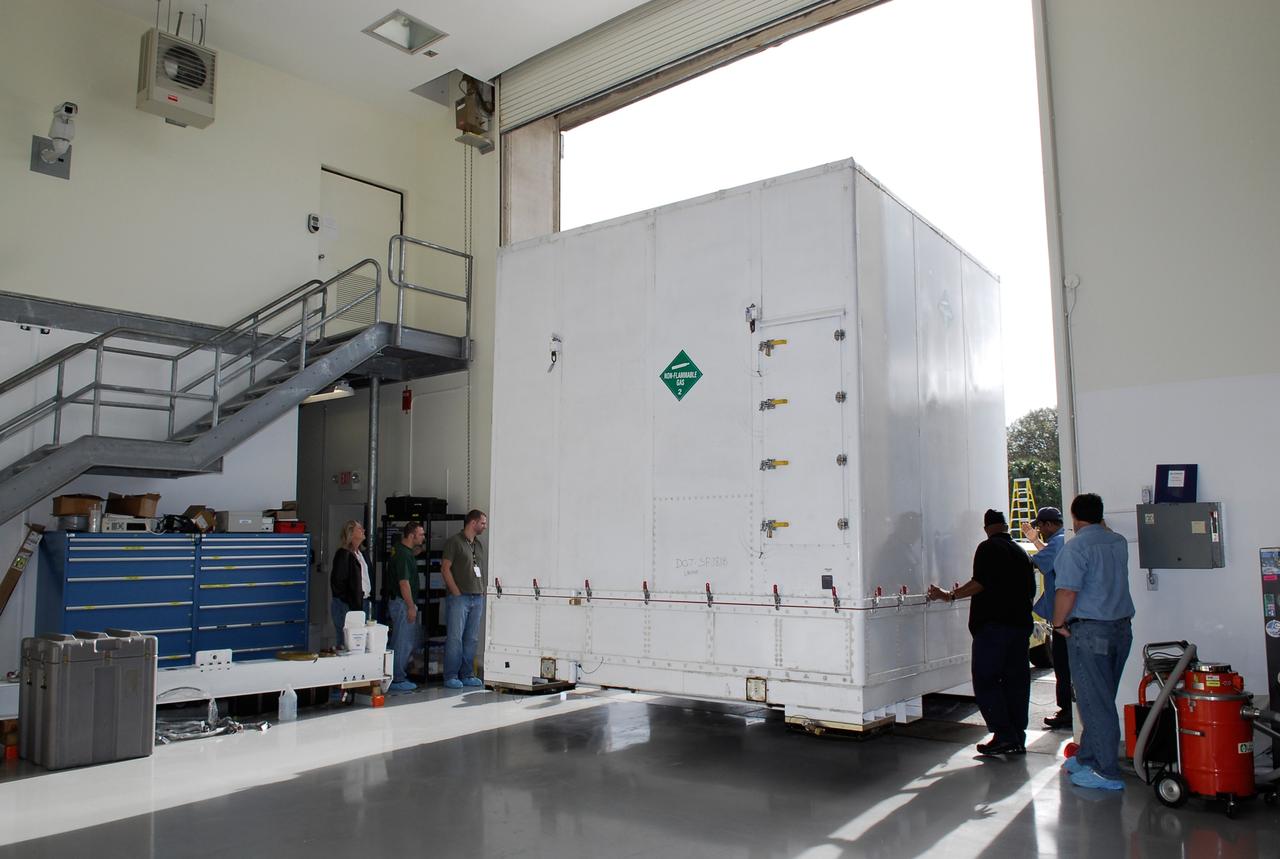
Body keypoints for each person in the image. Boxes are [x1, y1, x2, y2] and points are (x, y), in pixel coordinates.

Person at [927, 509, 1035, 756]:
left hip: (994, 628)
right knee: (1016, 683)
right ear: (1005, 526)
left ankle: (1004, 736)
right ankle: (1017, 736)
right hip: (1020, 628)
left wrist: (950, 595)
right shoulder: (1020, 552)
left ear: (987, 528)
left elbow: (980, 582)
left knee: (986, 680)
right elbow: (1030, 590)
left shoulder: (988, 548)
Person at [1052, 493, 1134, 791]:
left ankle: (1106, 771)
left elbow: (1067, 592)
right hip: (1121, 630)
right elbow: (1107, 532)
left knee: (1094, 703)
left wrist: (1058, 623)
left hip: (1090, 633)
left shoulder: (1075, 548)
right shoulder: (1118, 542)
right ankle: (1087, 757)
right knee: (1101, 698)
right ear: (1101, 515)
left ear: (1074, 518)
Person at [1022, 506, 1072, 729]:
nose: (1039, 531)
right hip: (1069, 616)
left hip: (1064, 619)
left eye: (1040, 527)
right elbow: (1047, 560)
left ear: (1049, 524)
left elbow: (1038, 563)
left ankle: (1066, 712)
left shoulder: (1058, 541)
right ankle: (1070, 710)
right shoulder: (1062, 540)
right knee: (1065, 665)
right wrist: (1034, 541)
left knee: (1063, 666)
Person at [440, 509, 488, 689]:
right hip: (460, 598)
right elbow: (445, 568)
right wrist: (455, 591)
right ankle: (451, 675)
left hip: (477, 597)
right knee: (455, 637)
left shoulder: (478, 544)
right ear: (473, 522)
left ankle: (467, 673)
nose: (485, 526)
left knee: (472, 638)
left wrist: (481, 590)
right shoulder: (454, 542)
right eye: (482, 523)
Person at [387, 521, 425, 692]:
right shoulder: (403, 555)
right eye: (421, 534)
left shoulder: (401, 550)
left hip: (399, 602)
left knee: (398, 640)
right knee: (404, 641)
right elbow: (404, 583)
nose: (423, 537)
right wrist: (411, 606)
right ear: (411, 536)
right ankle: (398, 678)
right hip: (402, 603)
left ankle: (394, 676)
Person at [329, 520, 371, 647]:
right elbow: (338, 582)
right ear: (351, 533)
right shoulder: (343, 554)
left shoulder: (362, 554)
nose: (363, 530)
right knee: (346, 641)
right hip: (347, 605)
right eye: (359, 529)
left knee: (358, 641)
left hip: (361, 601)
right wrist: (350, 600)